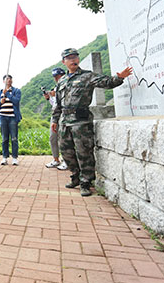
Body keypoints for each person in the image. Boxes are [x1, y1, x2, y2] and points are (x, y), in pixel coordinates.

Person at [52, 48, 133, 197]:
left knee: (84, 153)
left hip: (81, 122)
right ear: (64, 62)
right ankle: (75, 176)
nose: (73, 60)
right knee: (67, 153)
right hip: (64, 122)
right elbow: (58, 103)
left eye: (75, 57)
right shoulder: (62, 81)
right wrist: (55, 120)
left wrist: (119, 77)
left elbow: (106, 82)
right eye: (69, 58)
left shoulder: (87, 76)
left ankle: (86, 182)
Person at [0, 74, 22, 166]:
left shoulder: (16, 91)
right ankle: (4, 157)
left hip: (12, 117)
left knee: (14, 138)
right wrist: (0, 101)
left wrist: (7, 94)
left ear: (12, 81)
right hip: (3, 117)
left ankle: (14, 158)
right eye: (6, 79)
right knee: (4, 138)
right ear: (3, 81)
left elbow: (16, 101)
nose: (8, 80)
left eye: (10, 79)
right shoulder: (0, 92)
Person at [44, 68, 67, 170]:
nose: (57, 78)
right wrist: (49, 98)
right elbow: (54, 103)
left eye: (59, 76)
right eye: (55, 77)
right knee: (53, 138)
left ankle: (67, 161)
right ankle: (56, 159)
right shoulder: (55, 88)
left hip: (65, 115)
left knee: (64, 139)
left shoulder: (67, 85)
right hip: (55, 115)